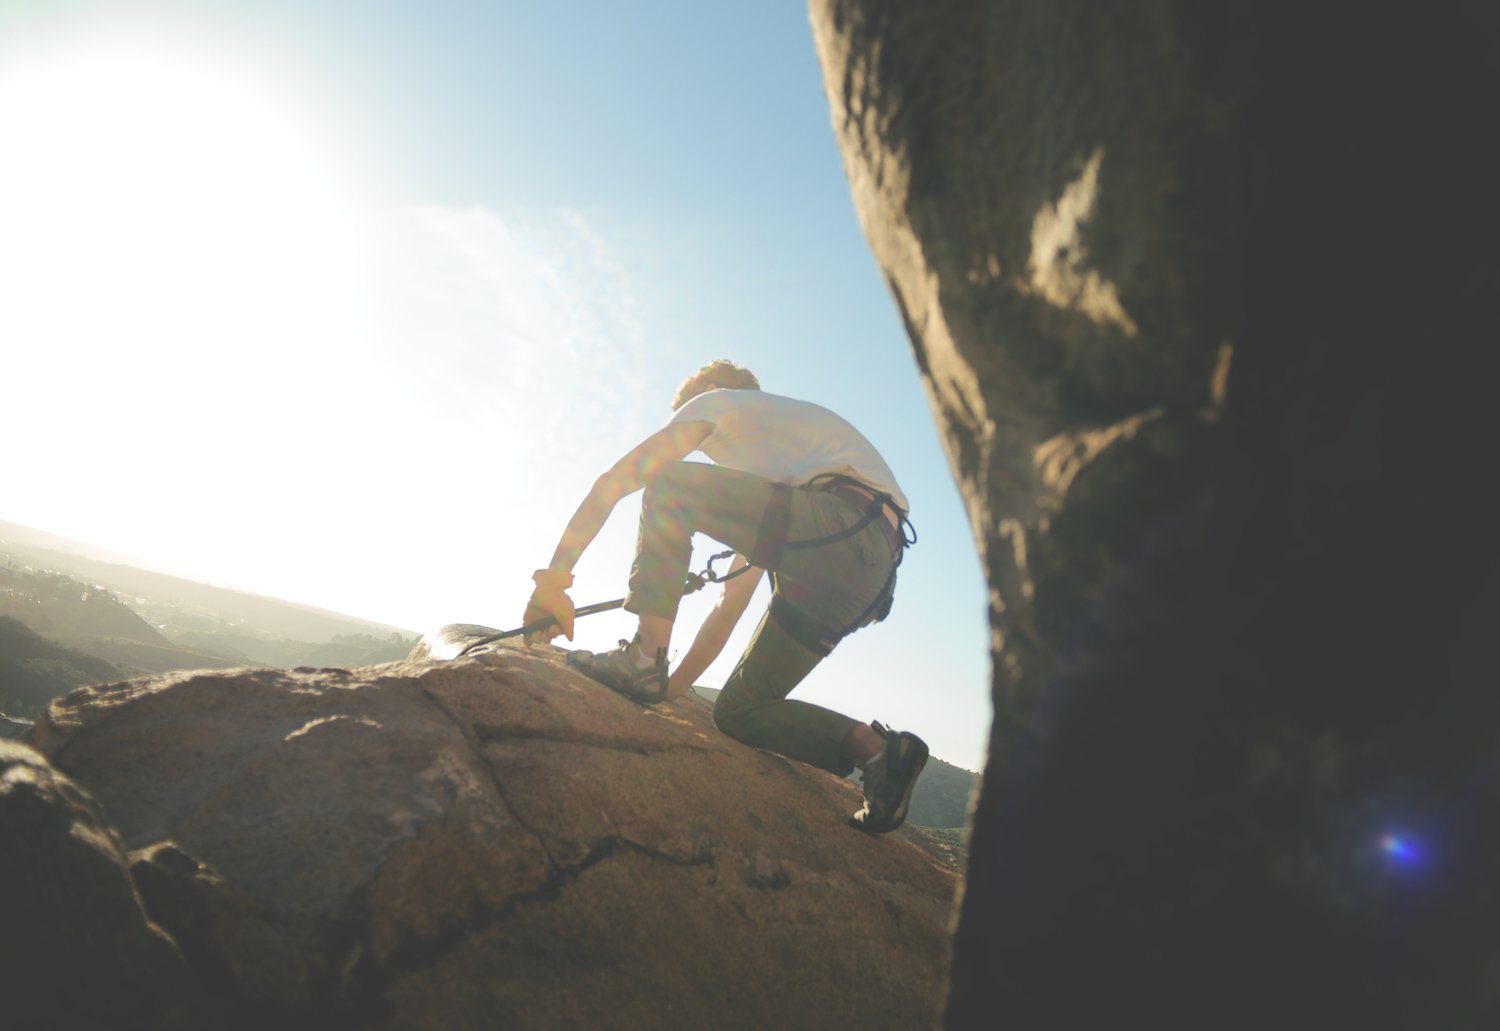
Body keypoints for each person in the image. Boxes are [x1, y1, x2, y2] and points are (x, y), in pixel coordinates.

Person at [524, 360, 928, 833]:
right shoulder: (789, 462)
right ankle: (880, 754)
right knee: (741, 711)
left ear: (712, 392)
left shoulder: (717, 402)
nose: (707, 453)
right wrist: (668, 694)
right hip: (868, 575)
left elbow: (618, 480)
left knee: (668, 482)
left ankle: (641, 657)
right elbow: (727, 608)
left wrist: (553, 581)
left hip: (840, 525)